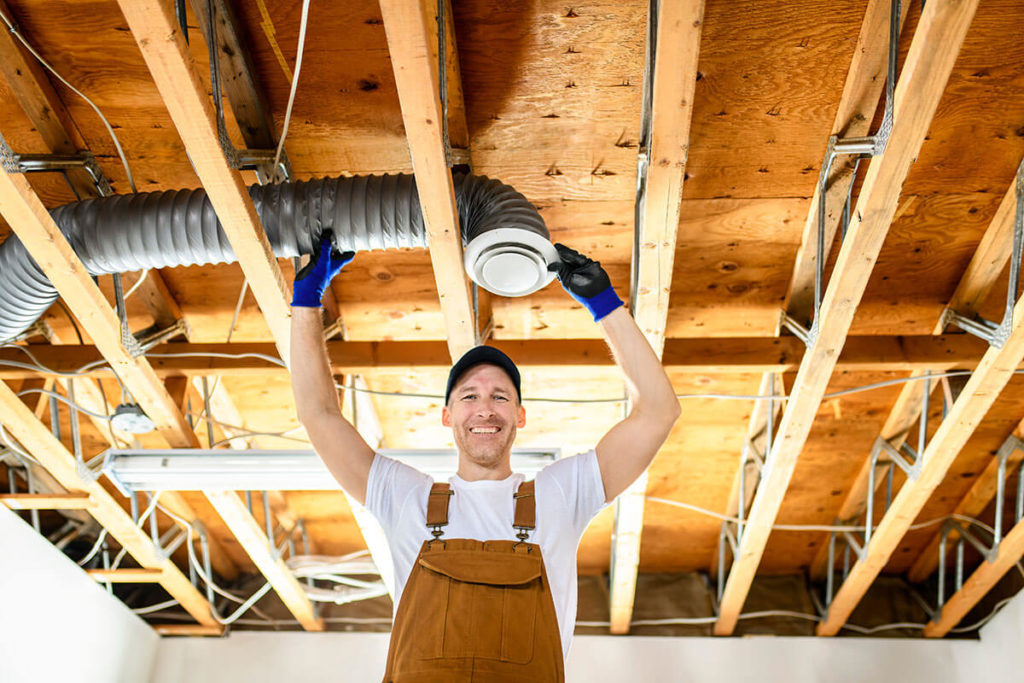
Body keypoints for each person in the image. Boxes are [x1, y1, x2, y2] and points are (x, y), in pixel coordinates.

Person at [290, 235, 680, 682]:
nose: (485, 408)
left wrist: (605, 305)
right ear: (447, 415)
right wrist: (305, 301)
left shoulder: (560, 494)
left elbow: (659, 411)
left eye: (500, 396)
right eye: (469, 396)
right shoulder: (404, 496)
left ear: (519, 415)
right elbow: (318, 416)